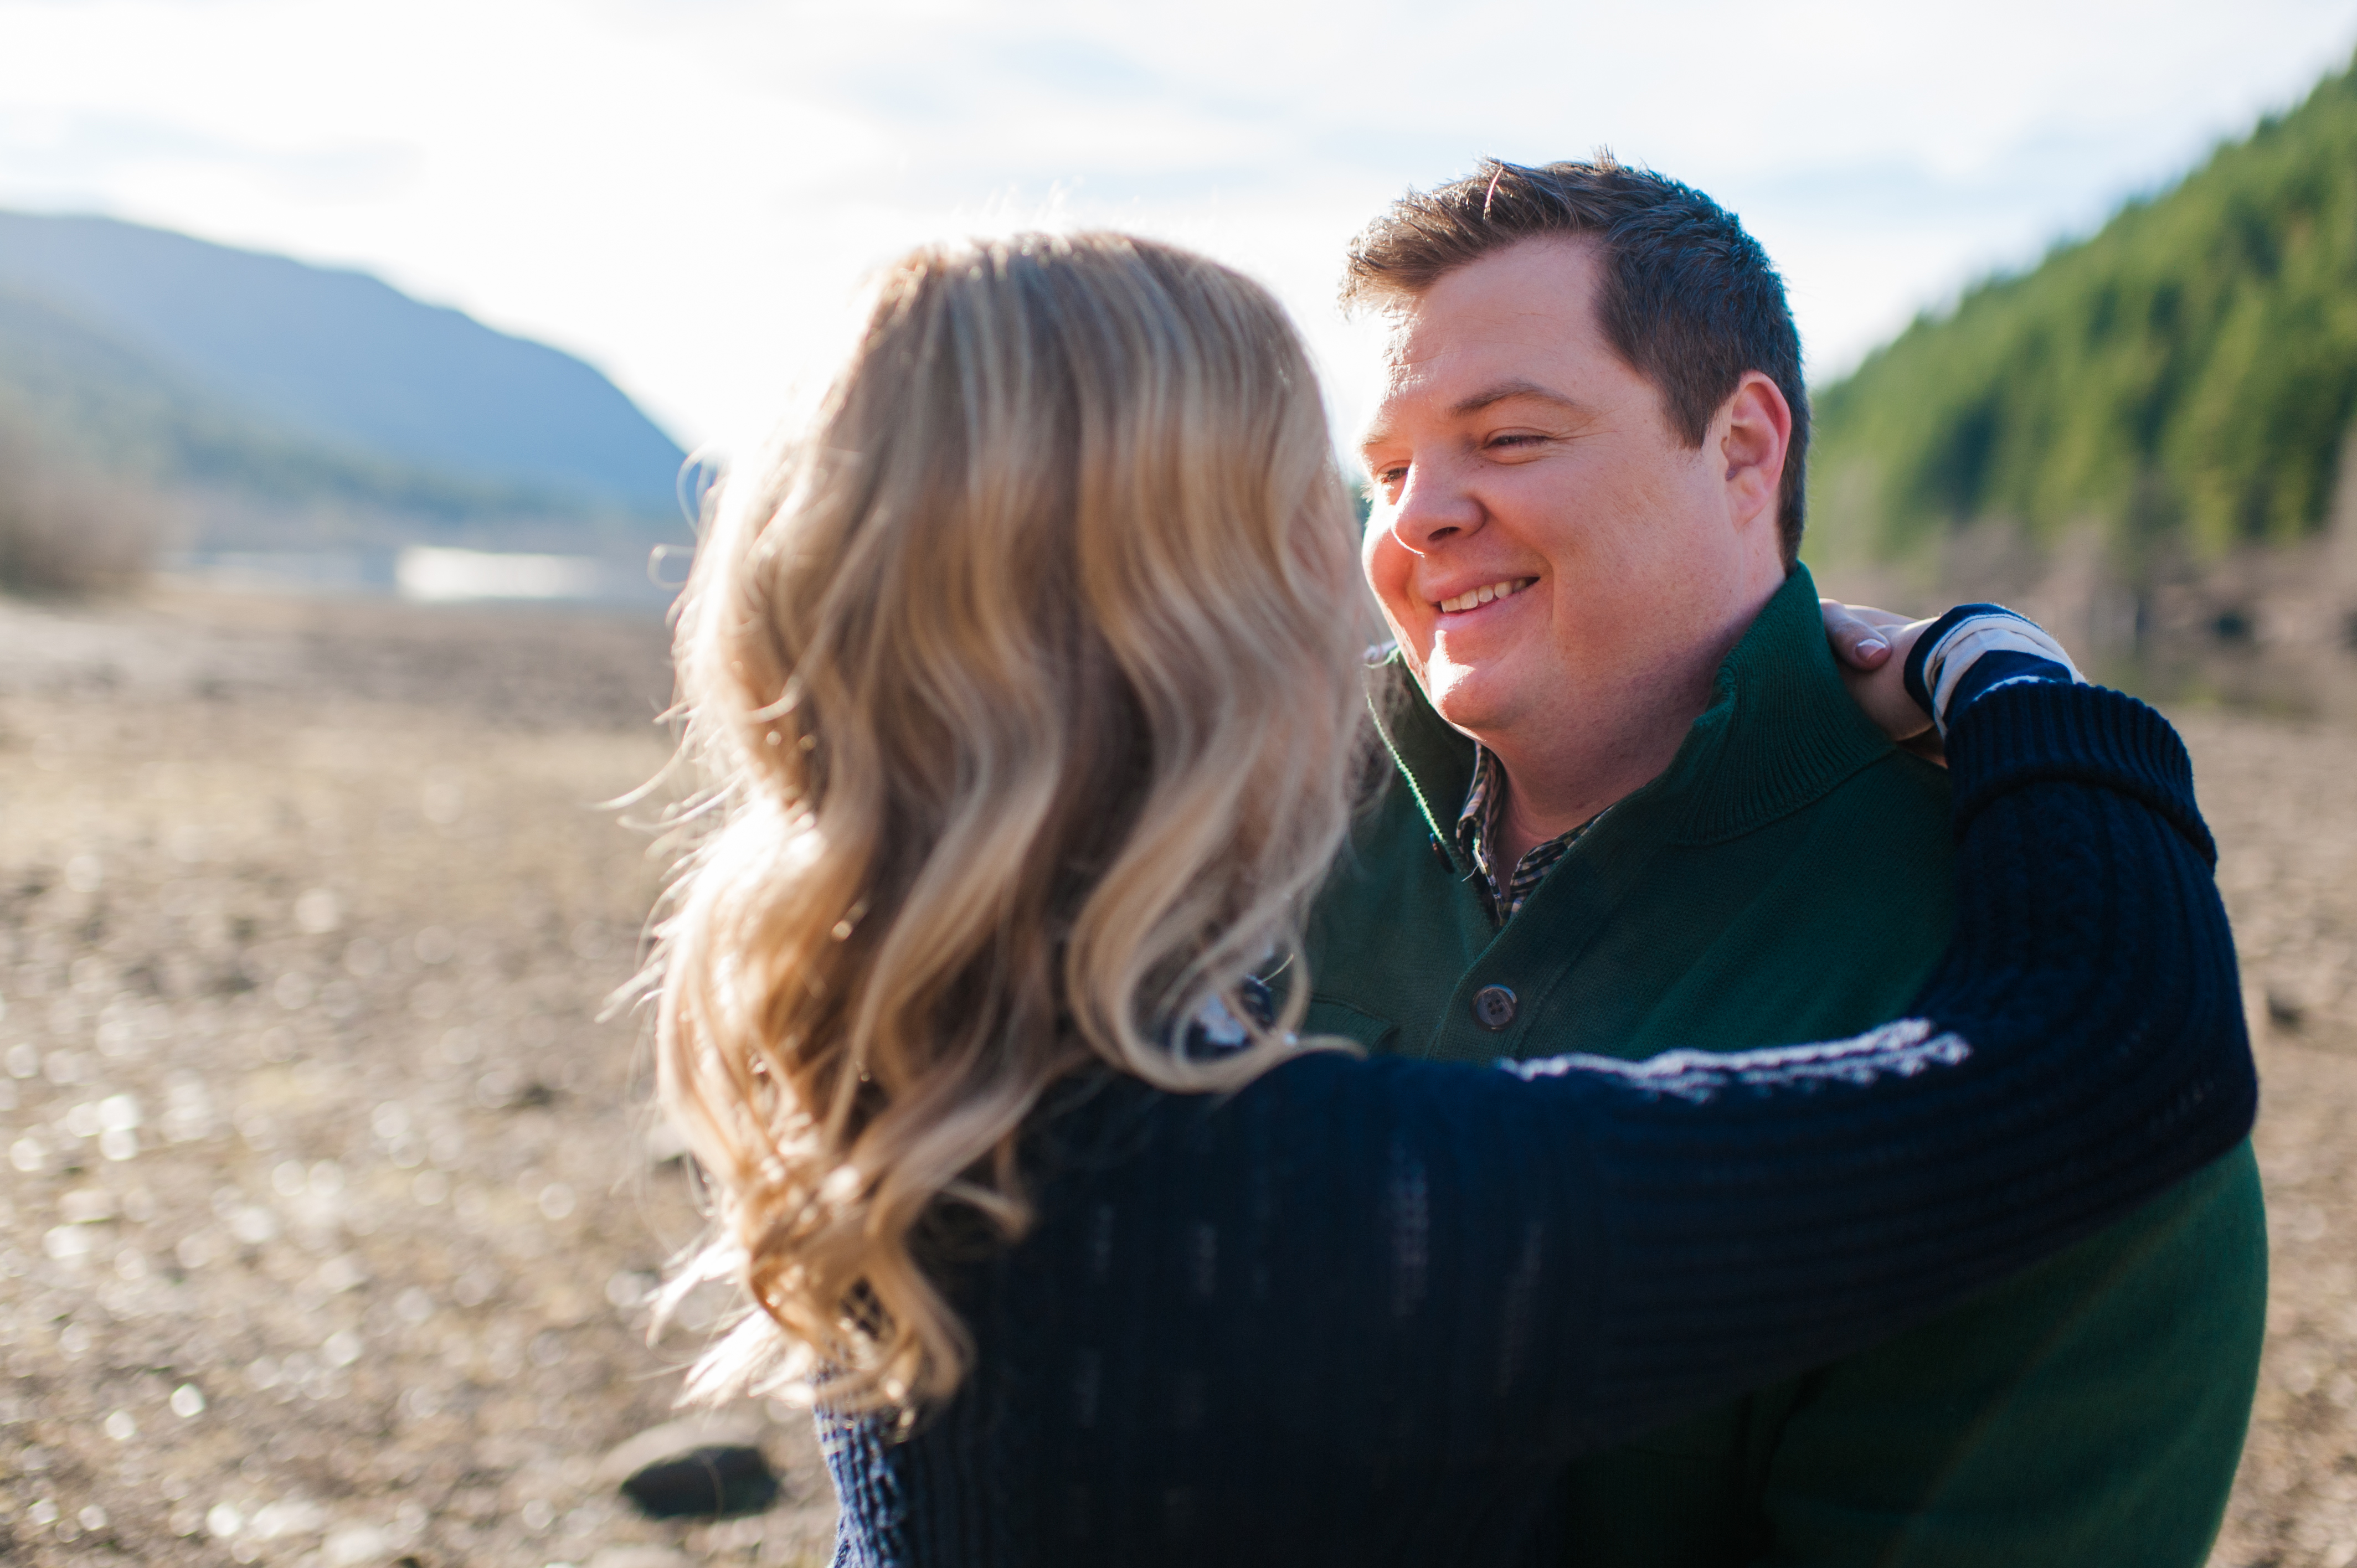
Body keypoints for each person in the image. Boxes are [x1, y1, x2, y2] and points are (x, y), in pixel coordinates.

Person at [646, 231, 2253, 1566]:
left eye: (1508, 438)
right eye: (1348, 488)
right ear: (1175, 633)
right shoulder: (1306, 1216)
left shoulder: (895, 1078)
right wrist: (2014, 679)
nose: (1398, 533)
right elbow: (2114, 1064)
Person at [1322, 158, 2266, 1565]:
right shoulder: (1227, 839)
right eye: (1388, 471)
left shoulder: (2053, 991)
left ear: (1744, 449)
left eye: (1508, 438)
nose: (1412, 522)